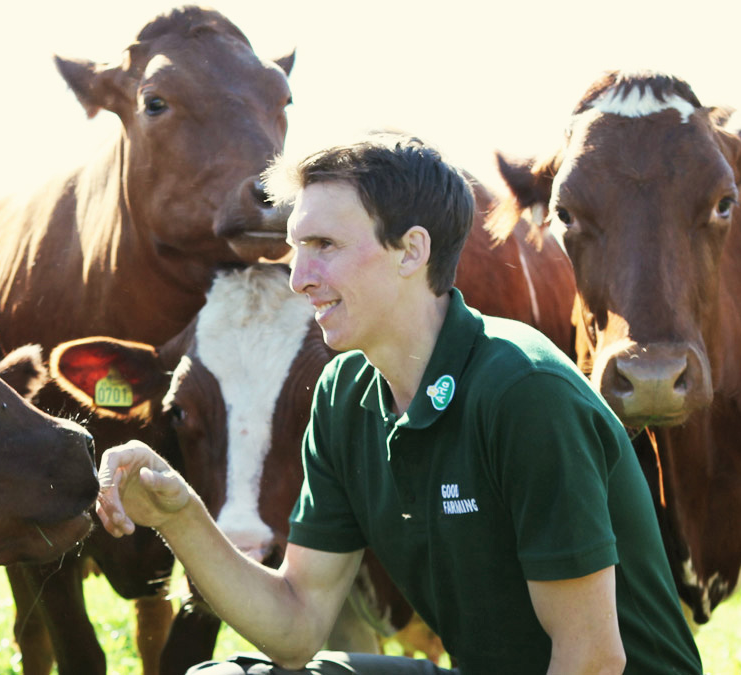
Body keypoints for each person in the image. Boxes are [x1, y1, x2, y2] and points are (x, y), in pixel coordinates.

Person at [96, 133, 702, 674]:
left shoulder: (524, 391)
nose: (299, 277)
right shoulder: (343, 395)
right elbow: (296, 628)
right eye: (296, 248)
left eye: (324, 245)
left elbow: (592, 658)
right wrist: (181, 516)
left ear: (411, 252)